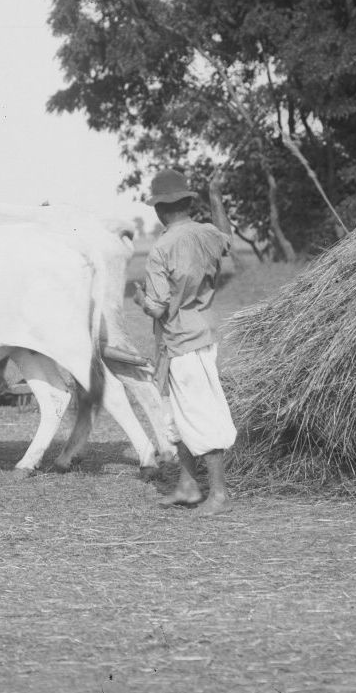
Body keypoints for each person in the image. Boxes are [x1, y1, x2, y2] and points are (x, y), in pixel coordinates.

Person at [131, 168, 239, 516]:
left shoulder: (161, 248)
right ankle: (189, 485)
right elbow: (226, 235)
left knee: (198, 413)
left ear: (160, 209)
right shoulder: (206, 234)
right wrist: (217, 197)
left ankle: (219, 495)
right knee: (179, 415)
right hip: (203, 332)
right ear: (188, 203)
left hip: (181, 340)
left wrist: (141, 301)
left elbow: (158, 307)